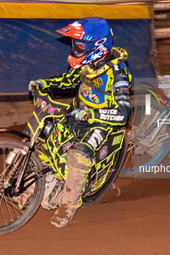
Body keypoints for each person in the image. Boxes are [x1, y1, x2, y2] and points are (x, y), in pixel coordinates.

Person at [29, 17, 132, 227]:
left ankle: (69, 204)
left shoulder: (117, 73)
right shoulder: (87, 64)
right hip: (78, 114)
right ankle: (41, 182)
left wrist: (92, 116)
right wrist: (43, 83)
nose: (75, 50)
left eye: (79, 46)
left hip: (101, 123)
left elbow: (122, 113)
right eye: (75, 46)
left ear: (98, 47)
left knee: (78, 156)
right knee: (46, 132)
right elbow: (69, 80)